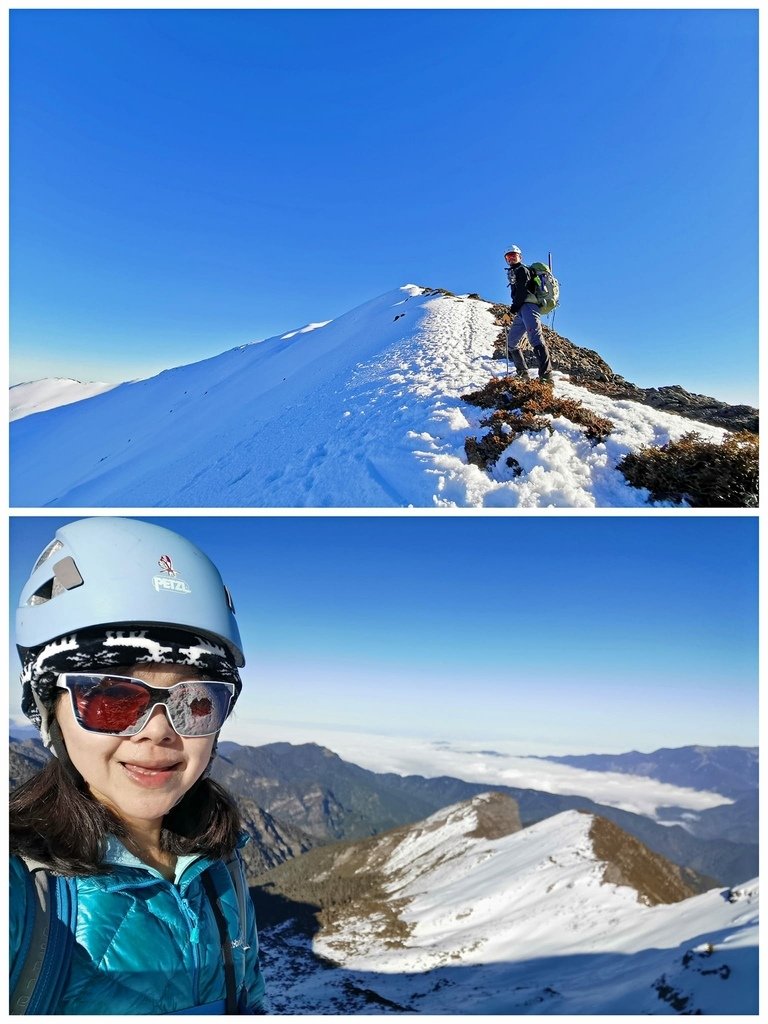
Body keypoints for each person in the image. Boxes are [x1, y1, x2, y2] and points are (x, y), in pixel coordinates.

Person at [9, 517, 267, 1015]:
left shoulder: (219, 863)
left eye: (196, 701)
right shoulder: (27, 891)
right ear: (50, 711)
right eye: (110, 696)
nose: (158, 730)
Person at [504, 244, 554, 382]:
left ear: (520, 257)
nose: (511, 259)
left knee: (535, 339)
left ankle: (547, 376)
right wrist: (514, 310)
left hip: (529, 307)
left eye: (514, 255)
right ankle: (523, 373)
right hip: (521, 310)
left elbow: (522, 292)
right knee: (511, 341)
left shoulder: (522, 270)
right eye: (508, 257)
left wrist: (511, 310)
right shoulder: (515, 272)